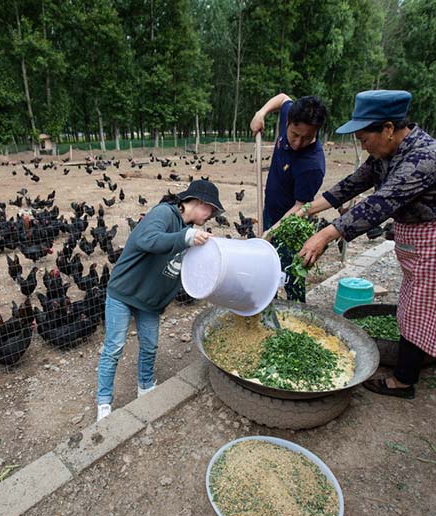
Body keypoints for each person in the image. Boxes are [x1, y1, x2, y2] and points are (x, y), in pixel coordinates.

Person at [296, 90, 436, 399]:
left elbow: (379, 204)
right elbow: (352, 183)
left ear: (387, 129)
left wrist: (323, 235)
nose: (362, 144)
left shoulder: (424, 158)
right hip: (421, 237)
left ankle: (403, 381)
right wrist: (306, 209)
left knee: (418, 308)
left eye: (363, 138)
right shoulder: (385, 154)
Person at [96, 179, 224, 420]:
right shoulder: (164, 213)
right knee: (113, 347)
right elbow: (149, 240)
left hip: (150, 301)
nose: (212, 215)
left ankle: (145, 388)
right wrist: (186, 238)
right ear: (197, 203)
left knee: (150, 345)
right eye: (211, 209)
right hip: (124, 292)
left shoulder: (192, 235)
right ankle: (104, 402)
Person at [250, 93, 328, 302]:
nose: (298, 142)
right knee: (267, 269)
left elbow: (300, 207)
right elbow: (283, 98)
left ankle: (297, 313)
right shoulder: (289, 112)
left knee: (291, 274)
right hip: (270, 211)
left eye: (307, 137)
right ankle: (268, 307)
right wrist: (261, 112)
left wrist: (272, 231)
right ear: (288, 122)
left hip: (291, 225)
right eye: (294, 134)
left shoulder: (312, 165)